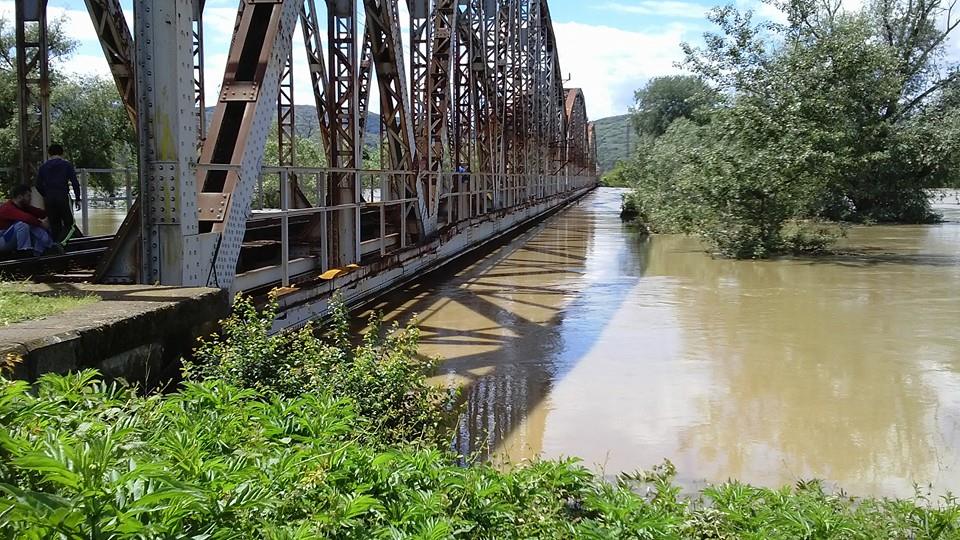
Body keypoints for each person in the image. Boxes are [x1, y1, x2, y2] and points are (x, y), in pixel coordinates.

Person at [36, 143, 81, 242]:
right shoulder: (66, 165)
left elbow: (38, 185)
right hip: (62, 196)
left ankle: (55, 247)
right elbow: (75, 183)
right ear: (62, 153)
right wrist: (77, 198)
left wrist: (46, 194)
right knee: (69, 224)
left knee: (54, 224)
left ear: (49, 154)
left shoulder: (43, 167)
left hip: (49, 199)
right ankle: (62, 244)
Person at [0, 184, 54, 257]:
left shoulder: (23, 206)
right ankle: (24, 251)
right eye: (28, 196)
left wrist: (53, 214)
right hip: (2, 240)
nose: (30, 198)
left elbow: (40, 213)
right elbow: (27, 218)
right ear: (20, 197)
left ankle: (43, 249)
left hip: (9, 240)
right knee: (22, 224)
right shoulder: (7, 208)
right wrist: (42, 224)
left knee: (33, 225)